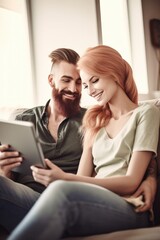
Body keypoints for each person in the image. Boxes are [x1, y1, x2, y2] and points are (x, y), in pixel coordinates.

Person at [7, 45, 160, 240]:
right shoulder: (94, 120)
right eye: (86, 85)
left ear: (113, 73)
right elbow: (81, 178)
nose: (89, 91)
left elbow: (131, 181)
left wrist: (63, 178)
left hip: (130, 205)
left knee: (61, 190)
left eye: (93, 81)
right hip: (90, 201)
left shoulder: (145, 113)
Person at [0, 48, 86, 233]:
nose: (73, 89)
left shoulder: (90, 121)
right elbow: (9, 179)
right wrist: (4, 170)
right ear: (51, 80)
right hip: (21, 199)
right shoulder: (24, 120)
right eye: (66, 80)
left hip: (62, 201)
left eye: (79, 82)